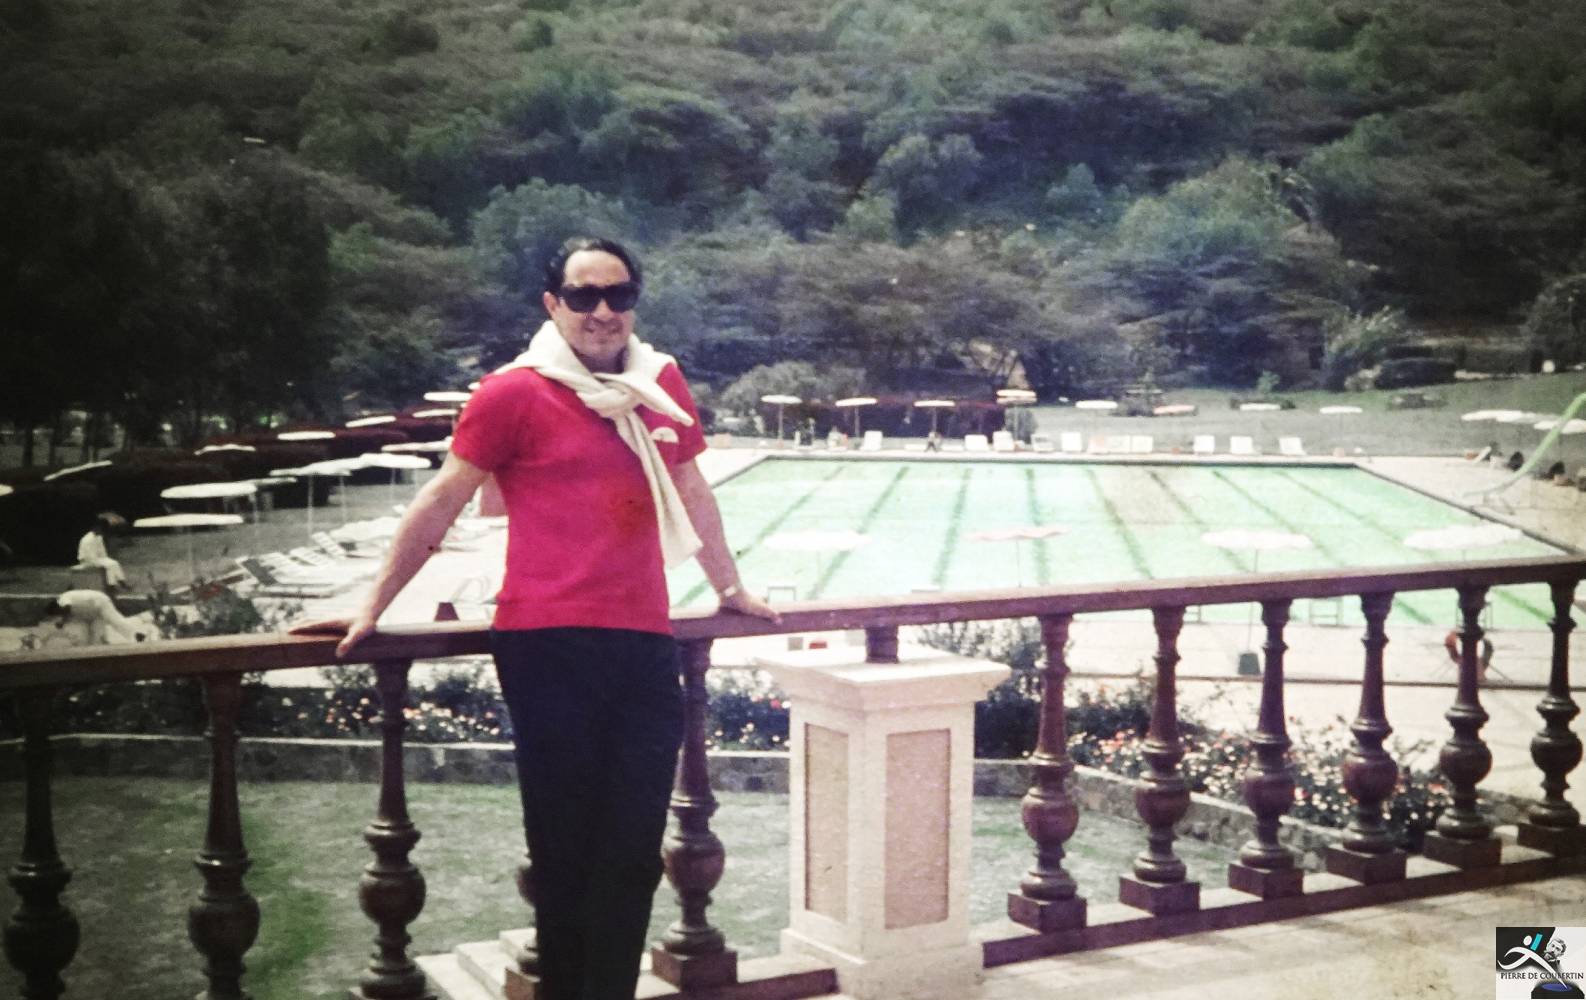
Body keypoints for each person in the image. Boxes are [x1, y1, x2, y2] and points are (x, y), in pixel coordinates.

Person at [293, 237, 778, 1000]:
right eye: (583, 296)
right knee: (563, 851)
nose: (602, 311)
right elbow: (442, 500)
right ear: (553, 304)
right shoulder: (512, 393)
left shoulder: (659, 383)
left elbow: (690, 486)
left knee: (632, 853)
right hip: (545, 645)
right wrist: (372, 607)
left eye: (618, 294)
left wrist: (730, 587)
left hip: (642, 643)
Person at [43, 589, 147, 645]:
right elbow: (70, 613)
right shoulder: (66, 607)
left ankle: (137, 634)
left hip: (99, 602)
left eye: (56, 612)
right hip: (92, 612)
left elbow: (67, 608)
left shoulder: (62, 599)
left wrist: (62, 621)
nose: (58, 614)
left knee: (115, 621)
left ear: (56, 607)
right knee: (93, 637)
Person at [76, 517, 126, 589]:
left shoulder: (99, 537)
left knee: (114, 563)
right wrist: (102, 561)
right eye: (102, 530)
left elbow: (102, 550)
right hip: (86, 560)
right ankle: (114, 585)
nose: (103, 532)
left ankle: (118, 583)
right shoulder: (87, 539)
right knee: (110, 564)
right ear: (96, 528)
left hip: (98, 559)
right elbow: (89, 556)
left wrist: (105, 558)